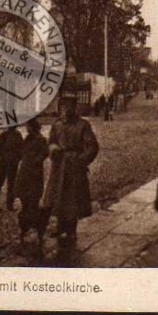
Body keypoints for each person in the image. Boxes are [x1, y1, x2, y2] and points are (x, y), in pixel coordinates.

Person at [41, 96, 100, 246]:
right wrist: (52, 148)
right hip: (59, 166)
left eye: (69, 107)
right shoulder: (57, 125)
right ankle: (60, 227)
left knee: (72, 199)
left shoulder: (82, 125)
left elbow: (92, 146)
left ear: (75, 108)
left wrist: (81, 160)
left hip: (74, 167)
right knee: (58, 198)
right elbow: (51, 141)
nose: (66, 110)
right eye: (63, 107)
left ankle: (71, 230)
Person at [15, 118, 50, 246]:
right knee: (24, 199)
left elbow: (45, 152)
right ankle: (24, 228)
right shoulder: (28, 138)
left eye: (28, 126)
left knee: (33, 201)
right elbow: (22, 151)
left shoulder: (41, 139)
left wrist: (36, 160)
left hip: (34, 173)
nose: (26, 128)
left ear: (33, 126)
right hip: (25, 172)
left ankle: (36, 227)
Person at [0, 126, 23, 211]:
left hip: (12, 162)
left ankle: (9, 204)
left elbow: (21, 149)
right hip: (4, 162)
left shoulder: (17, 135)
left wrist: (18, 157)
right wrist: (5, 156)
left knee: (11, 183)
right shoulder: (5, 135)